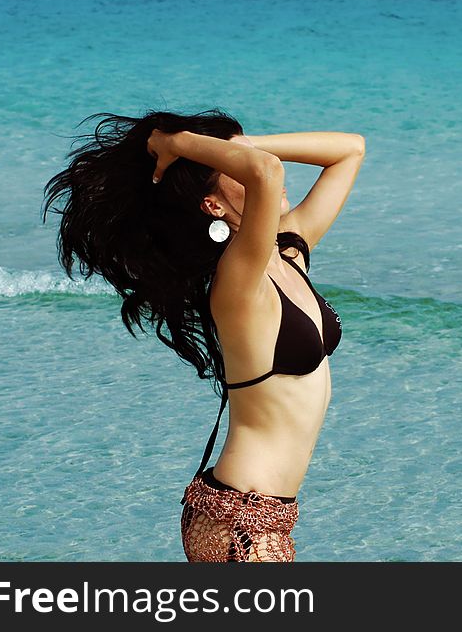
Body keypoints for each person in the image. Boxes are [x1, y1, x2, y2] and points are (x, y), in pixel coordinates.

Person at [42, 108, 365, 561]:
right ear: (213, 206)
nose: (264, 167)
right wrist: (176, 144)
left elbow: (350, 150)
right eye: (233, 165)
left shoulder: (288, 252)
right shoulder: (236, 280)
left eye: (243, 156)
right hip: (238, 517)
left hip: (259, 513)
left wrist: (243, 144)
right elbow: (266, 172)